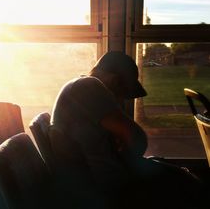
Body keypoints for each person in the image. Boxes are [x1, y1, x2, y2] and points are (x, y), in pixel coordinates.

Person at [49, 51, 206, 209]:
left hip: (96, 184)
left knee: (178, 176)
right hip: (109, 190)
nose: (119, 102)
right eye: (121, 95)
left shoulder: (78, 88)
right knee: (186, 184)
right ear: (115, 81)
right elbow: (138, 140)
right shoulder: (88, 86)